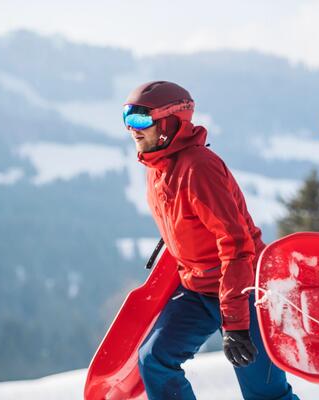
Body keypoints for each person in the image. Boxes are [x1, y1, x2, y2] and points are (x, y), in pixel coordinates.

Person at [123, 81, 299, 400]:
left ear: (170, 122)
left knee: (265, 394)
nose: (132, 129)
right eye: (127, 118)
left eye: (141, 119)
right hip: (198, 288)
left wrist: (235, 324)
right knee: (155, 360)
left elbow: (236, 246)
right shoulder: (157, 167)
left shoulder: (198, 168)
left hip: (246, 289)